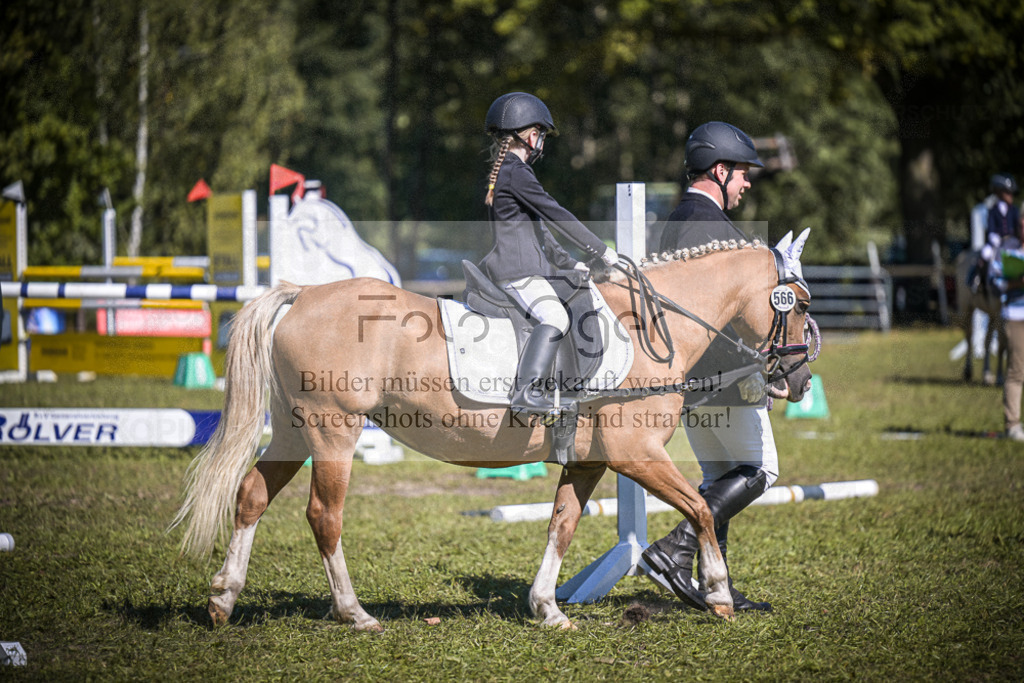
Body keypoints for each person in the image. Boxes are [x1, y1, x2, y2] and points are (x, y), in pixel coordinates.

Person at [642, 121, 779, 613]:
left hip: (690, 380)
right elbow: (721, 318)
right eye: (743, 174)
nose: (746, 184)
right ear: (720, 170)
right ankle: (675, 550)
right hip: (724, 376)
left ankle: (714, 584)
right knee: (762, 469)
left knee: (718, 477)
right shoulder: (715, 230)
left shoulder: (675, 220)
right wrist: (760, 364)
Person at [479, 92, 618, 414]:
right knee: (555, 316)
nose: (542, 141)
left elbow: (539, 229)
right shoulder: (516, 171)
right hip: (517, 271)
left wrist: (573, 263)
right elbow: (556, 213)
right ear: (530, 135)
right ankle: (525, 394)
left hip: (524, 266)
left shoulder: (510, 170)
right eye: (541, 134)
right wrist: (601, 250)